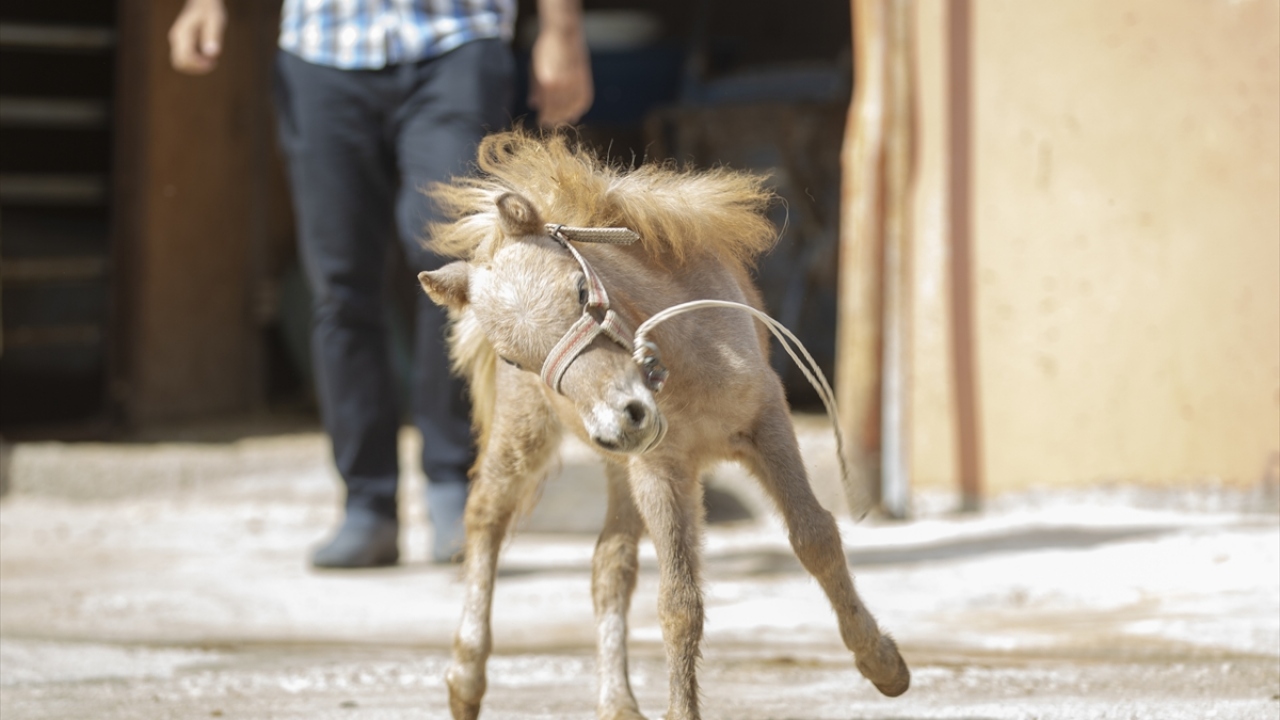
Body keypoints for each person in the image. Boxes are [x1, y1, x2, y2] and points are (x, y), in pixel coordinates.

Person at [168, 0, 593, 567]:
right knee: (339, 281)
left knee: (455, 266)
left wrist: (561, 28)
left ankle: (455, 487)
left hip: (455, 37)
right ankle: (366, 505)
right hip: (321, 48)